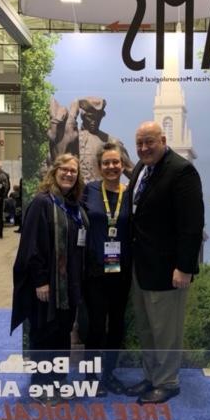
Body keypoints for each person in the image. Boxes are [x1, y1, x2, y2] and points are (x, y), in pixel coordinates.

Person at [125, 121, 204, 405]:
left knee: (166, 331)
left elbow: (192, 225)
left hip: (168, 271)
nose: (144, 148)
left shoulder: (182, 171)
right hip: (141, 266)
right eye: (140, 144)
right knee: (147, 328)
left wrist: (185, 267)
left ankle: (168, 382)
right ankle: (151, 376)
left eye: (149, 142)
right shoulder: (141, 168)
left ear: (163, 139)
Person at [10, 154, 87, 405]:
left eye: (73, 171)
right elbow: (31, 247)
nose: (68, 174)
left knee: (62, 334)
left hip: (69, 288)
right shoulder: (42, 203)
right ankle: (41, 386)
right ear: (54, 172)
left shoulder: (73, 205)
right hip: (47, 286)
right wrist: (40, 281)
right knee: (44, 334)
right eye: (64, 170)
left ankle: (58, 382)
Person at [82, 141, 131, 396]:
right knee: (96, 325)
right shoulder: (88, 191)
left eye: (116, 162)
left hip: (121, 271)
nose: (112, 167)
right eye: (106, 163)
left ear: (122, 165)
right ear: (99, 167)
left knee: (117, 325)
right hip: (94, 271)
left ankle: (109, 374)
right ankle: (91, 376)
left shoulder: (131, 193)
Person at [48, 97, 134, 183]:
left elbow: (133, 172)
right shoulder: (71, 138)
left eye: (98, 117)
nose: (95, 121)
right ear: (82, 115)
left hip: (101, 194)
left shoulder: (111, 142)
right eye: (91, 117)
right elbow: (52, 163)